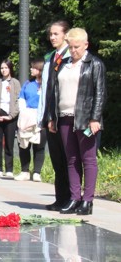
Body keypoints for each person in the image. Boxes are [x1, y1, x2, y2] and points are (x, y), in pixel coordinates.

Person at [47, 28, 105, 215]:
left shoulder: (94, 64)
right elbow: (54, 92)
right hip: (64, 117)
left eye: (77, 47)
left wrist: (95, 118)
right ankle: (74, 198)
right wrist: (52, 117)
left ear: (86, 45)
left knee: (88, 160)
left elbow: (100, 94)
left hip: (85, 118)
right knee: (71, 159)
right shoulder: (63, 64)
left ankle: (87, 201)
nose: (73, 51)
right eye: (70, 47)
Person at [39, 20, 72, 211]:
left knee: (69, 159)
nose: (52, 37)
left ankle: (72, 197)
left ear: (66, 35)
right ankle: (60, 198)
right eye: (50, 34)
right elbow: (47, 89)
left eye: (56, 34)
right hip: (52, 115)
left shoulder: (71, 56)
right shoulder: (52, 57)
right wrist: (45, 116)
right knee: (57, 160)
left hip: (65, 114)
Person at [0, 59, 21, 178]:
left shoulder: (15, 83)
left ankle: (9, 168)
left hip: (10, 115)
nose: (4, 70)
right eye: (2, 68)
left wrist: (12, 115)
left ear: (10, 69)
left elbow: (18, 100)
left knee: (9, 142)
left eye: (6, 68)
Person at [16, 58, 46, 182]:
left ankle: (37, 172)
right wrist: (23, 112)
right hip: (27, 116)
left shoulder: (46, 84)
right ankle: (25, 171)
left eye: (33, 67)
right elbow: (21, 99)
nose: (31, 69)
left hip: (41, 117)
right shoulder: (28, 84)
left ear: (40, 69)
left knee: (39, 146)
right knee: (24, 145)